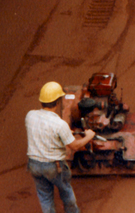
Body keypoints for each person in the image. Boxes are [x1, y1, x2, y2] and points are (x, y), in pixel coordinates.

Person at [26, 81, 95, 213]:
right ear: (58, 102)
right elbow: (74, 146)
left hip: (34, 165)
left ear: (41, 101)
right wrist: (89, 136)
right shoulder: (60, 124)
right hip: (54, 166)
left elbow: (43, 129)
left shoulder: (30, 116)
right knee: (65, 190)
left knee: (45, 197)